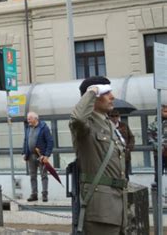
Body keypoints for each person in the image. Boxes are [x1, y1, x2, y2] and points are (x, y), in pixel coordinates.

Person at [70, 76, 127, 235]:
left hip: (118, 205)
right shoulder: (86, 125)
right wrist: (92, 91)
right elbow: (78, 118)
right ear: (93, 97)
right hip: (100, 210)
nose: (112, 96)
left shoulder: (108, 123)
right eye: (106, 92)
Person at [22, 111, 54, 202]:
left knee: (44, 175)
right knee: (32, 176)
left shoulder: (44, 128)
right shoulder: (28, 128)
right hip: (30, 156)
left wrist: (47, 155)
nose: (28, 120)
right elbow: (25, 141)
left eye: (30, 118)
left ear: (36, 119)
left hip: (41, 156)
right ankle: (34, 194)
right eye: (28, 118)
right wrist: (24, 153)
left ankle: (44, 194)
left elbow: (50, 142)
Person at [108, 110, 135, 180]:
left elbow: (131, 137)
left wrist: (129, 148)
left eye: (116, 116)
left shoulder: (124, 125)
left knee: (125, 174)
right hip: (113, 155)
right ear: (109, 117)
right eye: (112, 116)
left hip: (125, 154)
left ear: (119, 117)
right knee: (113, 174)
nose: (114, 118)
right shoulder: (107, 126)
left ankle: (126, 188)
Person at [147, 103, 167, 183]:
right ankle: (158, 193)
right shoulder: (153, 125)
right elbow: (149, 137)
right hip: (159, 153)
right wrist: (158, 146)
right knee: (158, 174)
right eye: (165, 111)